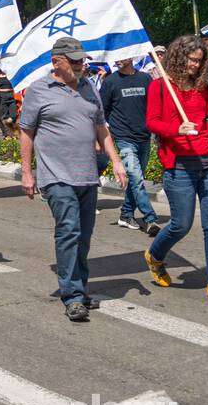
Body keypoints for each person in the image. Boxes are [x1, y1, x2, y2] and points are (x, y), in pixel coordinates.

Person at [19, 37, 128, 322]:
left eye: (83, 60)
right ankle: (73, 295)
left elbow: (101, 126)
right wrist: (27, 172)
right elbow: (26, 131)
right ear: (57, 62)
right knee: (69, 230)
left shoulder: (89, 87)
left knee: (84, 235)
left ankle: (78, 284)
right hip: (55, 176)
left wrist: (116, 160)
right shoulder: (38, 90)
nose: (82, 65)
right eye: (75, 61)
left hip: (87, 175)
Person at [144, 34, 208, 304]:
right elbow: (152, 122)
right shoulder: (161, 87)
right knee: (181, 225)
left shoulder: (202, 87)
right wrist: (176, 129)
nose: (195, 65)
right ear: (178, 57)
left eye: (199, 61)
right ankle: (155, 256)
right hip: (179, 166)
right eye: (192, 60)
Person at [100, 57, 161, 235]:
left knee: (136, 180)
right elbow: (102, 112)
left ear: (131, 56)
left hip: (144, 137)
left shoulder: (145, 79)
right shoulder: (110, 81)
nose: (117, 60)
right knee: (137, 179)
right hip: (124, 139)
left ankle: (126, 214)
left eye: (122, 56)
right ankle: (150, 219)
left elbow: (153, 106)